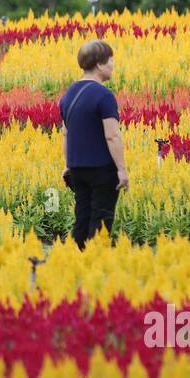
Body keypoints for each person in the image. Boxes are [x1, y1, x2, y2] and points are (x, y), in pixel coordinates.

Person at [59, 40, 129, 250]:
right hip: (101, 169)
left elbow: (66, 133)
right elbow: (112, 136)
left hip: (77, 168)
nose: (113, 65)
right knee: (101, 220)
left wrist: (68, 164)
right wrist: (122, 170)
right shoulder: (104, 95)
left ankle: (75, 260)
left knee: (82, 217)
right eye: (110, 61)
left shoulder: (68, 94)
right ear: (99, 64)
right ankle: (94, 263)